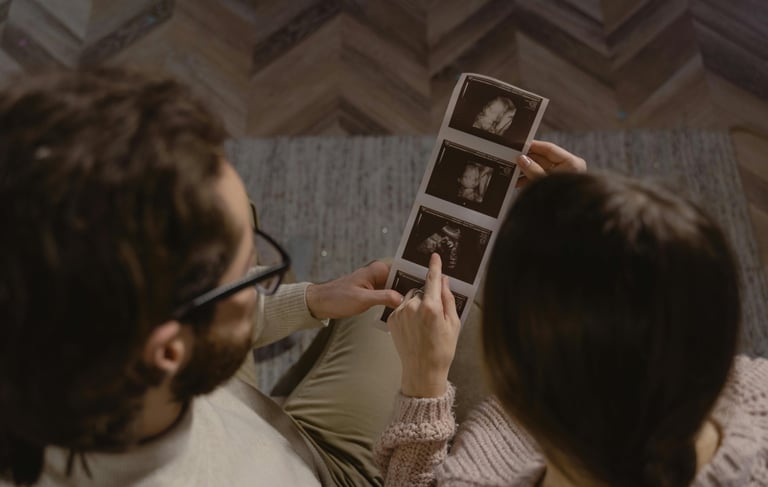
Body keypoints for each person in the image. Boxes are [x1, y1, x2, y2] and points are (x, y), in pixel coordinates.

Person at [0, 68, 407, 486]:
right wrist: (425, 394)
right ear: (169, 352)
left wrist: (312, 300)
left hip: (227, 412)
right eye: (249, 278)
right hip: (321, 471)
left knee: (221, 209)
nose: (262, 277)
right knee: (414, 290)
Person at [377, 147, 768, 485]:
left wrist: (423, 386)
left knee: (374, 316)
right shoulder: (758, 395)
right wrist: (601, 237)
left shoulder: (472, 476)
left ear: (515, 369)